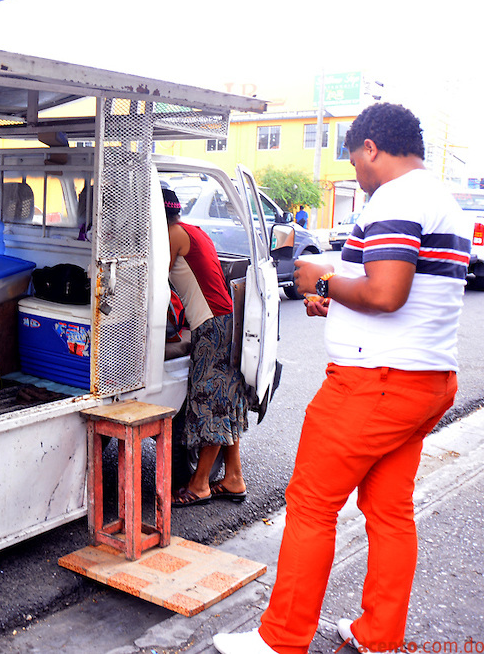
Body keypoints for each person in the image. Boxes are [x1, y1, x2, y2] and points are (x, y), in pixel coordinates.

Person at [213, 103, 471, 654]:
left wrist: (325, 281)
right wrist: (338, 304)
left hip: (375, 384)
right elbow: (409, 293)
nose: (357, 172)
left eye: (355, 161)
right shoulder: (441, 199)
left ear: (372, 147)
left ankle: (280, 640)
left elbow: (385, 293)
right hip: (424, 380)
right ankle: (379, 634)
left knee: (311, 503)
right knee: (389, 511)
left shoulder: (397, 198)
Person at [163, 187, 250, 508]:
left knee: (211, 401)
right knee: (225, 399)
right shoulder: (192, 230)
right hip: (225, 321)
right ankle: (234, 478)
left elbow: (155, 281)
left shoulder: (172, 235)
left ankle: (199, 485)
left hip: (212, 325)